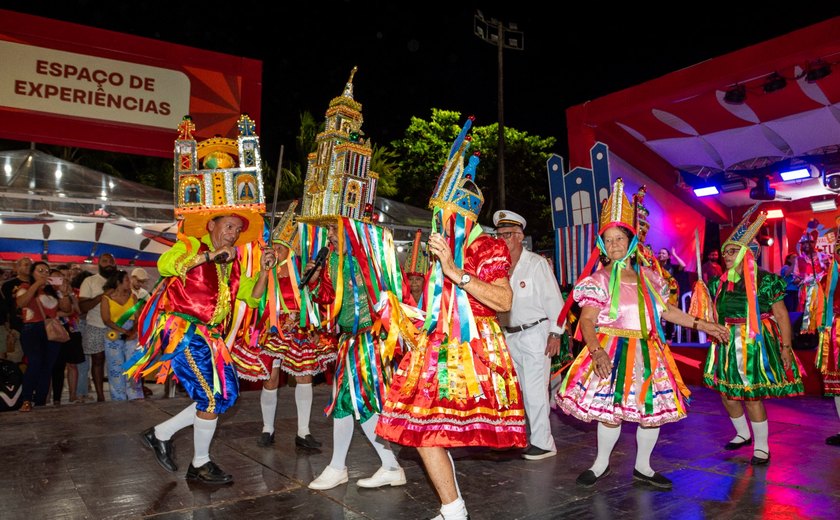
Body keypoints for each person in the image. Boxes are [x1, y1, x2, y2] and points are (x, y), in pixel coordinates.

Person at [376, 119, 527, 520]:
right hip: (437, 344)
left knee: (423, 428)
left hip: (471, 351)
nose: (438, 221)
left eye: (444, 213)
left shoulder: (486, 246)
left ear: (462, 215)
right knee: (419, 428)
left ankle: (454, 509)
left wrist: (454, 269)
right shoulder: (444, 247)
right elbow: (436, 300)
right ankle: (453, 508)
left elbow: (503, 300)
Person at [556, 178, 729, 490]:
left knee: (651, 411)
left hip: (648, 352)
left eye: (619, 238)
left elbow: (667, 312)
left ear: (631, 241)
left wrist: (703, 325)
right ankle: (600, 464)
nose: (614, 245)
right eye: (608, 240)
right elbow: (586, 320)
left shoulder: (650, 277)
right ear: (601, 245)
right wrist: (596, 351)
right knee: (610, 413)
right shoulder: (598, 279)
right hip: (611, 349)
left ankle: (643, 468)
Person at [129, 214, 275, 484]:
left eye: (238, 229)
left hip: (211, 338)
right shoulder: (190, 245)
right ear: (211, 225)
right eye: (228, 226)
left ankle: (161, 434)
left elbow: (251, 298)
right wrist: (209, 256)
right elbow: (166, 266)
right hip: (183, 331)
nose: (233, 233)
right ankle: (200, 462)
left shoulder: (235, 262)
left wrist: (265, 271)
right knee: (210, 398)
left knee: (225, 396)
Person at [306, 220, 406, 490]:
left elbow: (396, 292)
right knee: (354, 402)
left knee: (352, 401)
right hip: (349, 340)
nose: (329, 237)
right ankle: (387, 465)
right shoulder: (333, 260)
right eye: (328, 231)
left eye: (334, 231)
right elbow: (328, 296)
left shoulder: (373, 257)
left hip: (370, 338)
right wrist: (315, 280)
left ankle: (342, 467)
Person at [703, 205, 804, 465]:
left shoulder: (766, 280)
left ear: (748, 253)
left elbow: (781, 316)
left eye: (733, 250)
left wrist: (785, 347)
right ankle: (742, 433)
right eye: (725, 250)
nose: (726, 254)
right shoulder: (718, 282)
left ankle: (761, 446)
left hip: (754, 342)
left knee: (751, 395)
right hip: (726, 341)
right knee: (727, 393)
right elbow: (715, 314)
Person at [494, 209, 564, 460]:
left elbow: (554, 301)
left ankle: (544, 443)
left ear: (520, 236)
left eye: (508, 234)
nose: (503, 239)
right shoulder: (497, 267)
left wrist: (556, 333)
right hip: (508, 335)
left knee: (535, 390)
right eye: (499, 234)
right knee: (518, 390)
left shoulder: (536, 264)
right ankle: (524, 436)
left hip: (536, 333)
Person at [14, 261, 73, 411]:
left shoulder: (52, 291)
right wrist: (36, 285)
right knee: (34, 362)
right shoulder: (25, 288)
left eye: (47, 271)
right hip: (32, 329)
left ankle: (40, 402)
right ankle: (26, 399)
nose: (45, 273)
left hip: (51, 330)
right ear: (32, 273)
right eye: (40, 270)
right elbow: (21, 303)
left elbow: (67, 309)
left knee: (47, 367)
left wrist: (64, 293)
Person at [78, 253, 118, 402]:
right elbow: (83, 307)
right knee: (98, 360)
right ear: (98, 263)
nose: (108, 263)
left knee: (117, 360)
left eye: (111, 261)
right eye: (105, 261)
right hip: (95, 325)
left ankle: (119, 393)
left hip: (117, 327)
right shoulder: (90, 281)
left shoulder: (120, 280)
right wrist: (102, 296)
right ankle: (100, 395)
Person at [100, 270, 144, 401]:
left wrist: (133, 331)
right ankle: (118, 398)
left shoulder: (132, 297)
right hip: (114, 334)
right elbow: (106, 319)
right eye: (126, 280)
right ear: (118, 282)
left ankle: (135, 395)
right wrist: (124, 331)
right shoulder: (106, 298)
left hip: (131, 333)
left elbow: (138, 317)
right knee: (115, 368)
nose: (129, 282)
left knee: (132, 365)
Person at [2, 257, 33, 364]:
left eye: (30, 264)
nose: (29, 267)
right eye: (26, 264)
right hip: (16, 326)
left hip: (34, 325)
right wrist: (8, 325)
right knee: (15, 357)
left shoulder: (37, 284)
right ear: (17, 267)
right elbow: (6, 306)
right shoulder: (8, 285)